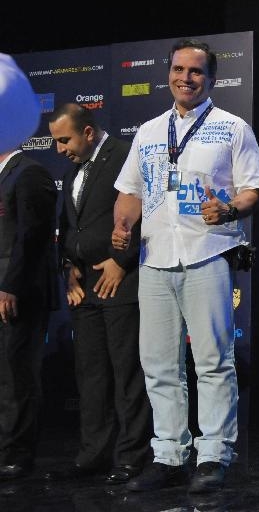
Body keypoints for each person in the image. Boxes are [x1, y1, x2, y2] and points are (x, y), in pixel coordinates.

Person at [112, 39, 259, 493]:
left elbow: (252, 190)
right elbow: (130, 190)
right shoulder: (148, 131)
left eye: (196, 71)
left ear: (211, 78)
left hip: (207, 253)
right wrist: (122, 224)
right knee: (159, 364)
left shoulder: (232, 128)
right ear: (169, 74)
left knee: (213, 362)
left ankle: (214, 453)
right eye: (179, 69)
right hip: (155, 257)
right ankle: (169, 455)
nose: (186, 78)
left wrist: (230, 210)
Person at [46, 103, 152, 484]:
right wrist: (68, 267)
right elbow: (69, 224)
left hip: (121, 281)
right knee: (90, 374)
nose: (59, 149)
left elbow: (148, 211)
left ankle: (132, 456)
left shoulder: (126, 155)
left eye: (64, 140)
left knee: (127, 371)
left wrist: (120, 261)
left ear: (88, 132)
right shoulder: (75, 165)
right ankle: (93, 455)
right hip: (84, 289)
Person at [0, 147, 55, 482]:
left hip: (18, 292)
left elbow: (30, 238)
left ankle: (16, 454)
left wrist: (11, 286)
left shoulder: (29, 172)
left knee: (15, 374)